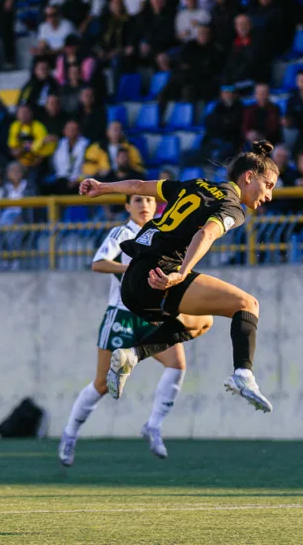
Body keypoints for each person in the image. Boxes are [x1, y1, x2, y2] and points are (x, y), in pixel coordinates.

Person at [77, 141, 279, 411]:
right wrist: (181, 273)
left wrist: (103, 188)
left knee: (201, 323)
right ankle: (243, 375)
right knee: (248, 305)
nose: (269, 196)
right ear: (249, 177)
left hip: (135, 279)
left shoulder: (195, 184)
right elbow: (206, 233)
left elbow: (138, 186)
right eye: (269, 186)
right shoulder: (232, 207)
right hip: (161, 273)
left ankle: (133, 354)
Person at [58, 194, 212, 466]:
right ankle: (70, 434)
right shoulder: (122, 232)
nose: (144, 205)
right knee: (103, 384)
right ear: (127, 206)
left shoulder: (161, 231)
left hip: (152, 314)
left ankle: (153, 425)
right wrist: (131, 267)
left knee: (177, 366)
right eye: (138, 200)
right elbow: (98, 263)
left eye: (150, 201)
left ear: (157, 207)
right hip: (122, 315)